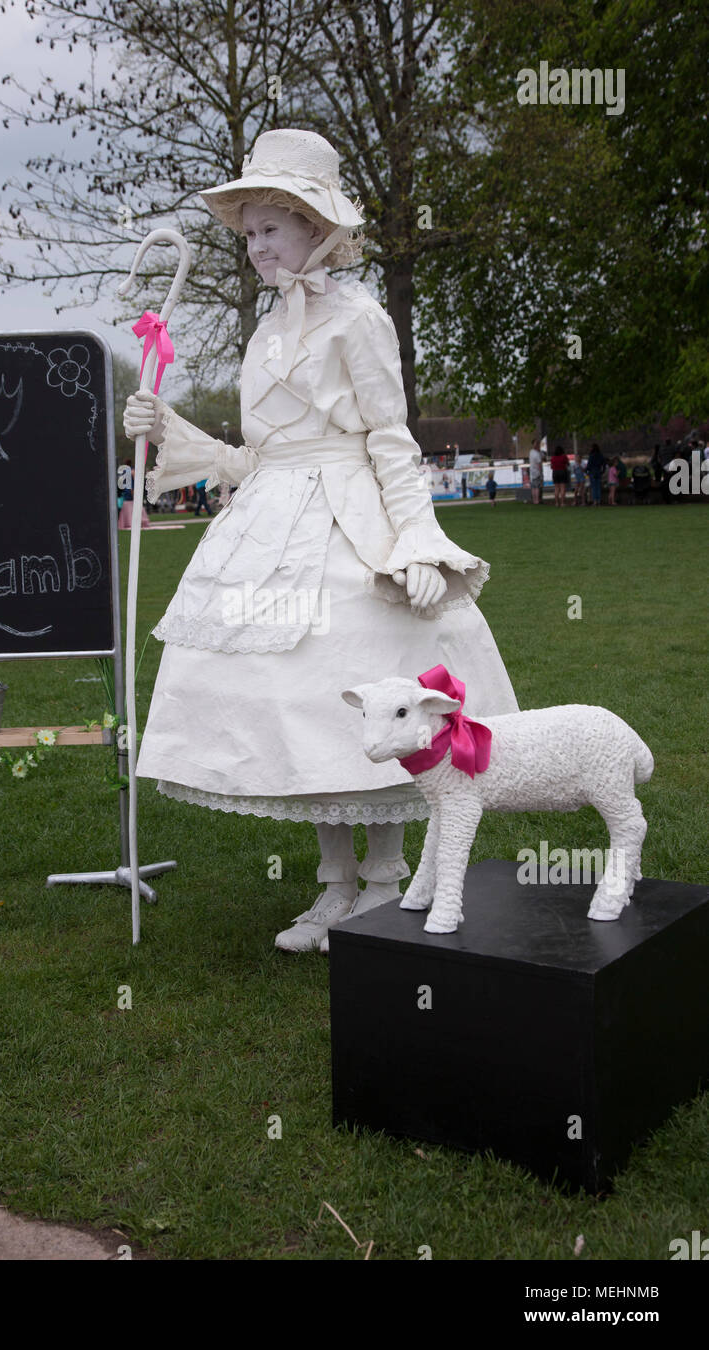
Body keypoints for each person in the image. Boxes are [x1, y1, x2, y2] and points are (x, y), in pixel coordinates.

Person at [123, 128, 518, 953]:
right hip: (270, 522)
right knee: (299, 710)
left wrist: (416, 543)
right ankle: (334, 888)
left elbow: (389, 438)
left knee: (365, 690)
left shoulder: (360, 317)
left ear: (315, 227)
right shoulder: (265, 329)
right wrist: (172, 429)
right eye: (251, 231)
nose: (257, 245)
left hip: (350, 525)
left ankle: (382, 882)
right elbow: (257, 457)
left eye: (272, 227)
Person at [528, 439, 543, 504]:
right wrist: (541, 473)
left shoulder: (531, 452)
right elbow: (539, 464)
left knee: (533, 487)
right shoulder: (537, 454)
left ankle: (534, 500)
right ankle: (537, 500)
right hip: (537, 472)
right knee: (537, 487)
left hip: (532, 471)